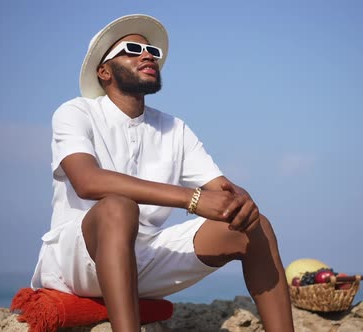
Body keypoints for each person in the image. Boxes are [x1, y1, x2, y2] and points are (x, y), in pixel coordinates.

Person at [30, 14, 294, 331]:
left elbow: (223, 191)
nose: (147, 55)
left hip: (144, 260)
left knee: (254, 226)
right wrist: (193, 199)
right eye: (131, 49)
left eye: (152, 51)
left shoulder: (174, 128)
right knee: (118, 206)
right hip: (77, 260)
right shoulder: (75, 112)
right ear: (104, 72)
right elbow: (88, 182)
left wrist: (240, 203)